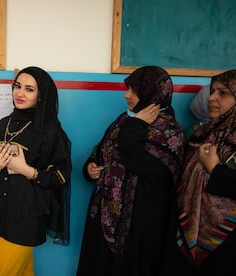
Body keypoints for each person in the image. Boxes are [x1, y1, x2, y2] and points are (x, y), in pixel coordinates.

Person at [77, 66, 185, 276]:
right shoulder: (124, 120)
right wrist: (89, 167)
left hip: (139, 227)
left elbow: (137, 161)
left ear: (151, 94)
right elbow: (102, 151)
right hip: (105, 217)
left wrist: (135, 125)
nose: (126, 95)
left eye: (134, 90)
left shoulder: (169, 131)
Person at [0, 66, 72, 276]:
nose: (20, 93)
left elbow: (61, 176)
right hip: (3, 214)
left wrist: (27, 170)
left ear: (41, 95)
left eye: (29, 89)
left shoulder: (50, 130)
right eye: (17, 86)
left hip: (28, 219)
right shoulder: (4, 124)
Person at [174, 69, 236, 275]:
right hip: (190, 233)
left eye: (223, 92)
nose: (212, 97)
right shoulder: (202, 134)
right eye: (212, 91)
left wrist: (215, 170)